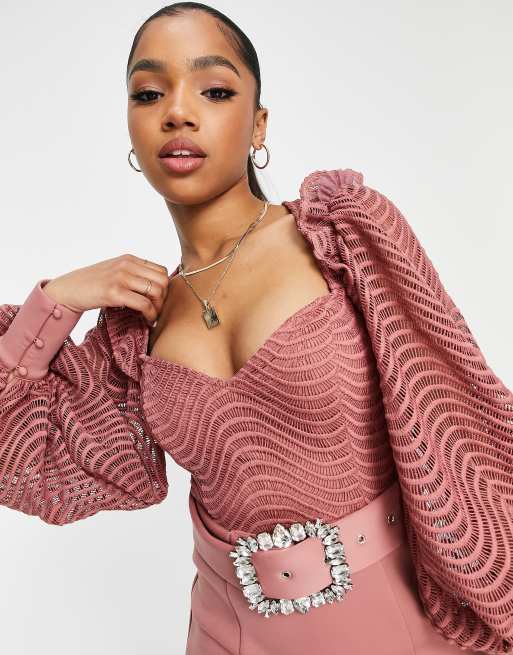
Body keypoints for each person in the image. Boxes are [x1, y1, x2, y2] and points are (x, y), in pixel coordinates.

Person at [1, 3, 512, 654]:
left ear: (258, 124)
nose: (177, 112)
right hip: (226, 631)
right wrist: (55, 302)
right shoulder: (135, 327)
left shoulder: (340, 236)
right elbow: (26, 459)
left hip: (396, 622)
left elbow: (458, 412)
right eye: (149, 93)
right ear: (130, 128)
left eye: (214, 91)